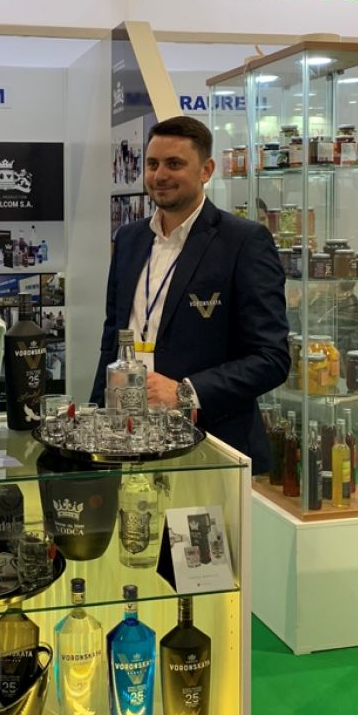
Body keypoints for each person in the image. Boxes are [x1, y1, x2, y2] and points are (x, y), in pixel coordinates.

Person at [91, 115, 290, 470]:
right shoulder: (129, 239)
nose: (159, 175)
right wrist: (96, 421)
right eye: (152, 164)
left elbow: (271, 358)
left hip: (210, 443)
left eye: (174, 164)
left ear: (206, 170)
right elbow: (112, 339)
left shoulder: (243, 241)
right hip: (128, 437)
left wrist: (184, 392)